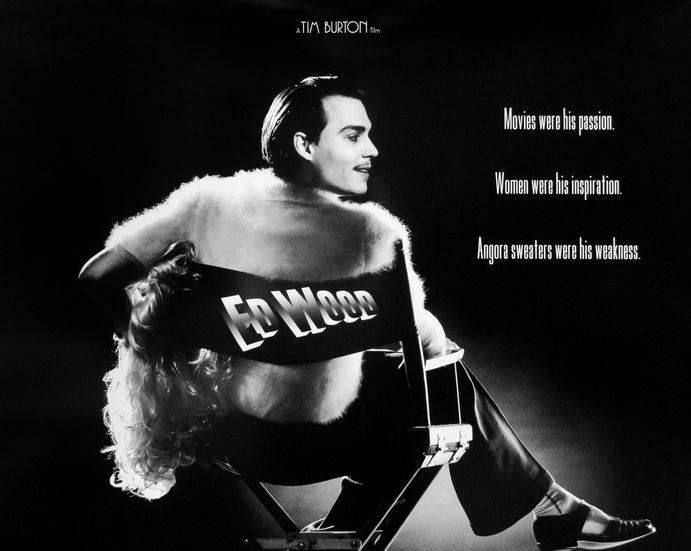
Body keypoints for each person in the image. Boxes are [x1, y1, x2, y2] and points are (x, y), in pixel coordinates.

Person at [79, 76, 655, 550]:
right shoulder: (372, 234)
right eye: (353, 135)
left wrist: (155, 340)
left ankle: (545, 507)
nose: (372, 149)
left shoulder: (205, 202)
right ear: (305, 145)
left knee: (415, 385)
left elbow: (98, 275)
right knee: (439, 384)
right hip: (323, 443)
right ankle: (553, 507)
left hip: (230, 442)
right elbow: (427, 340)